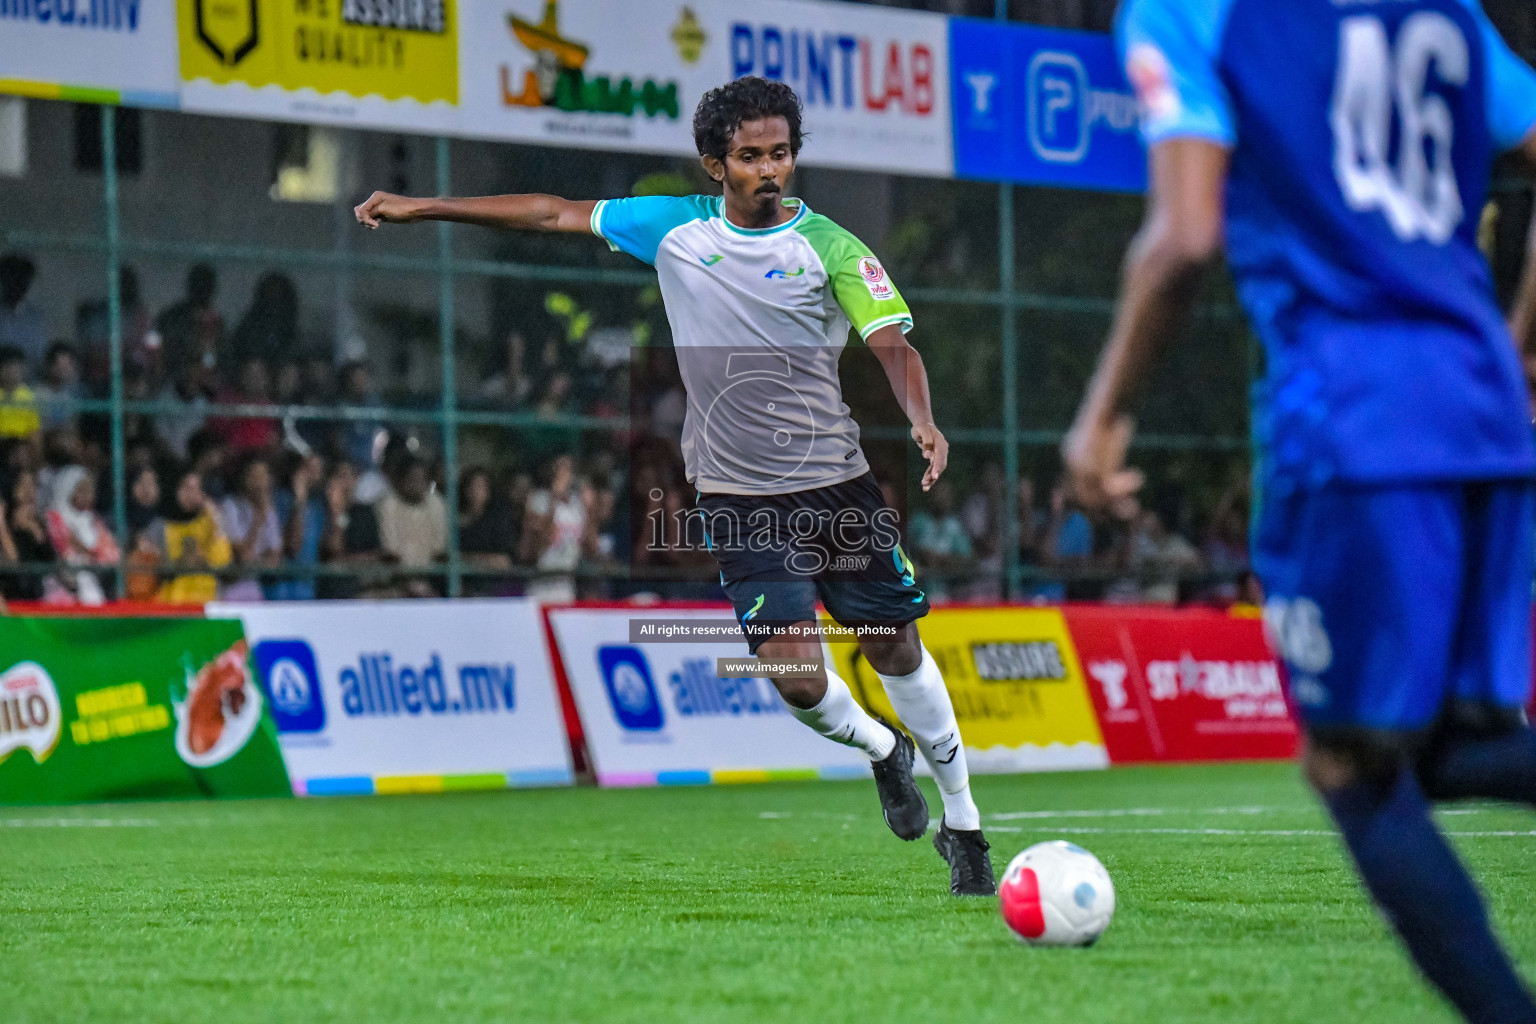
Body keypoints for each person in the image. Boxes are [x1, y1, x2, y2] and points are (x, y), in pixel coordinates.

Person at [355, 75, 993, 895]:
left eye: (782, 154)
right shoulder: (674, 230)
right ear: (713, 163)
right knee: (796, 678)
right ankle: (882, 750)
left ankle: (966, 825)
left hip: (838, 487)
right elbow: (553, 212)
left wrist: (922, 419)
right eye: (752, 156)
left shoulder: (831, 245)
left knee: (895, 646)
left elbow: (892, 342)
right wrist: (423, 207)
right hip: (735, 495)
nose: (770, 170)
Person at [1065, 2, 1536, 1018]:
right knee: (1450, 744)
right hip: (1486, 407)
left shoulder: (1190, 12)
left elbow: (1184, 237)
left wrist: (1104, 416)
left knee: (1349, 763)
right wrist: (1524, 343)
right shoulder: (1449, 9)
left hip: (1352, 421)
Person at [141, 466, 232, 604]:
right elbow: (152, 572)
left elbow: (222, 562)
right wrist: (181, 563)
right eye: (185, 488)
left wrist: (214, 519)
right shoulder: (160, 525)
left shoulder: (211, 521)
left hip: (207, 602)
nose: (190, 494)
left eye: (196, 489)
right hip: (169, 604)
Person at [43, 465, 118, 606]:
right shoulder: (55, 516)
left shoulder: (93, 519)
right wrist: (90, 554)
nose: (88, 495)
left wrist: (90, 554)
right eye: (82, 490)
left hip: (94, 581)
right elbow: (65, 547)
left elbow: (111, 553)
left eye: (90, 490)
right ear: (68, 489)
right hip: (64, 585)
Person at [375, 453, 446, 597]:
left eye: (422, 479)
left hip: (430, 583)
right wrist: (410, 587)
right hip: (395, 583)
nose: (417, 484)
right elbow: (391, 553)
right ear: (400, 480)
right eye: (412, 479)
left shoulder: (436, 503)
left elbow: (439, 551)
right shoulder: (388, 504)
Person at [219, 453, 283, 601]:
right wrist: (258, 519)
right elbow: (244, 556)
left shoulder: (269, 509)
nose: (260, 482)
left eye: (263, 476)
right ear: (244, 478)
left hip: (254, 587)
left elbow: (275, 559)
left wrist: (258, 561)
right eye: (255, 476)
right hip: (230, 588)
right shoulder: (230, 507)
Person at [317, 460, 382, 600]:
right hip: (331, 591)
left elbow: (376, 555)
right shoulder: (322, 512)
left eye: (350, 476)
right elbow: (333, 550)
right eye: (340, 477)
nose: (346, 482)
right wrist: (337, 512)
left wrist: (345, 562)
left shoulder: (365, 512)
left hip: (362, 587)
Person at [155, 264, 223, 378]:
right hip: (173, 381)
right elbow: (159, 350)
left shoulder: (216, 322)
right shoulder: (172, 317)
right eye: (199, 285)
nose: (203, 292)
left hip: (205, 384)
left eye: (207, 286)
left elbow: (215, 360)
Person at [0, 254, 46, 372]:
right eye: (11, 279)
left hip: (28, 384)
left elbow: (39, 357)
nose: (17, 285)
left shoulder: (36, 318)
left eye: (22, 280)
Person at [34, 342, 84, 432]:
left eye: (68, 365)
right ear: (49, 366)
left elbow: (73, 424)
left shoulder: (75, 393)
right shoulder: (37, 393)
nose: (63, 370)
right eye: (59, 365)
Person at [0, 345, 39, 441]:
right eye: (6, 366)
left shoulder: (29, 396)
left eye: (14, 366)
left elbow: (34, 430)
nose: (10, 371)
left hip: (22, 443)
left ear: (22, 369)